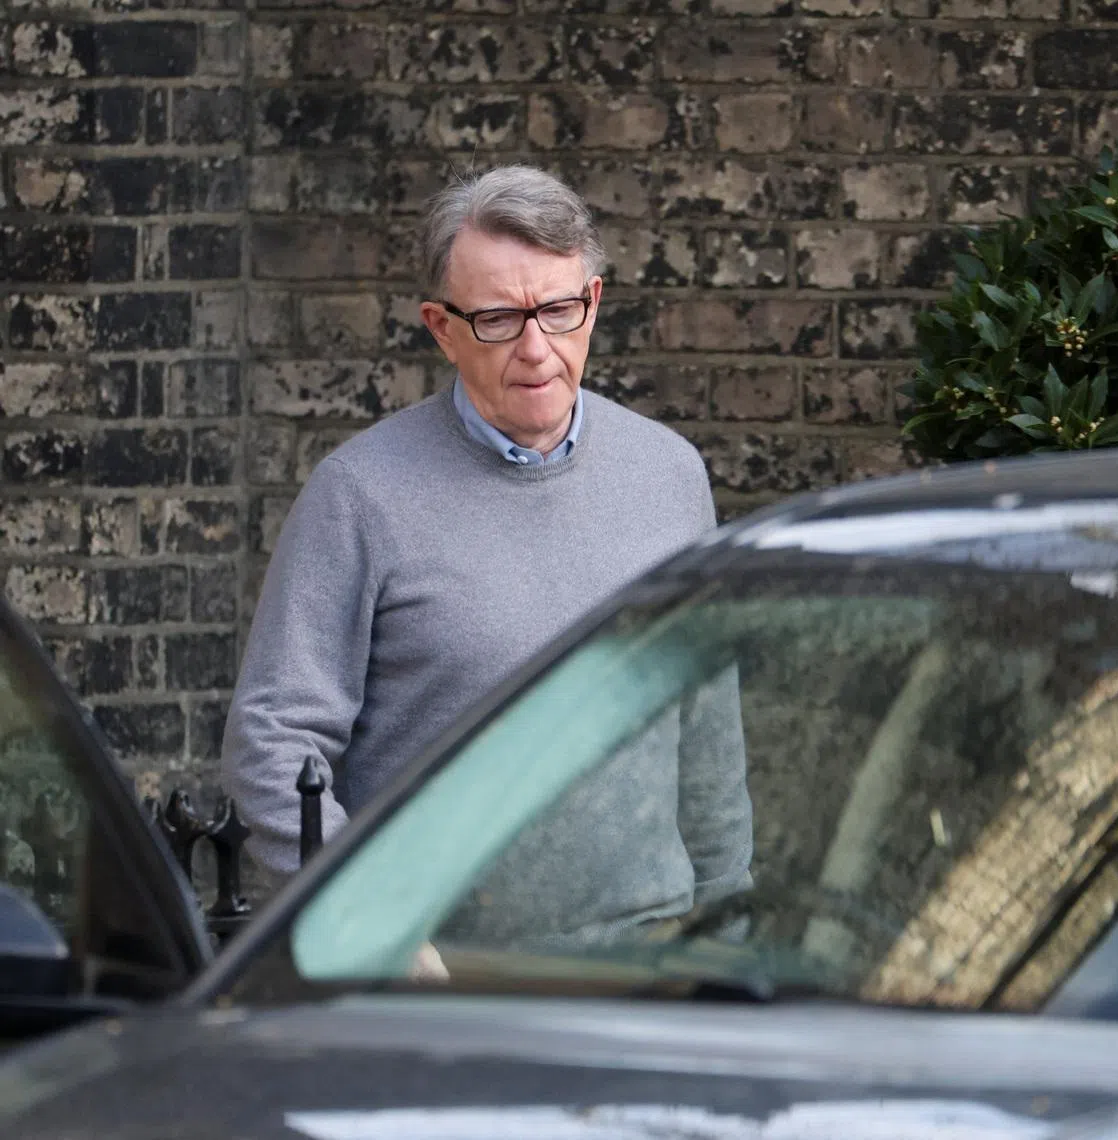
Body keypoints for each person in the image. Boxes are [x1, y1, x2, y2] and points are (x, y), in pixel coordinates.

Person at [221, 165, 752, 941]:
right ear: (441, 327)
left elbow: (709, 729)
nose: (537, 348)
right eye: (500, 319)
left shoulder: (671, 475)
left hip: (647, 962)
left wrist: (728, 928)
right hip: (443, 976)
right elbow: (271, 745)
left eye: (560, 311)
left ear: (593, 306)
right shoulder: (359, 497)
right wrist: (366, 925)